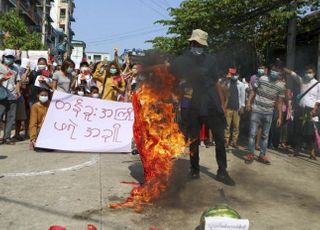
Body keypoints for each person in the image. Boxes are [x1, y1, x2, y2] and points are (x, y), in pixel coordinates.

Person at [171, 29, 234, 186]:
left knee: (219, 137)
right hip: (193, 103)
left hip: (211, 103)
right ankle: (194, 170)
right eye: (195, 43)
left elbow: (216, 82)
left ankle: (222, 171)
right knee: (193, 139)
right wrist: (175, 97)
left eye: (200, 44)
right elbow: (173, 77)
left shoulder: (211, 60)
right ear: (190, 43)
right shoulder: (182, 60)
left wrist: (222, 104)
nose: (197, 46)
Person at [245, 65, 285, 165]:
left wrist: (280, 117)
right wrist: (249, 103)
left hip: (269, 113)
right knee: (252, 133)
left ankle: (262, 155)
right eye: (272, 70)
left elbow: (279, 102)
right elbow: (253, 91)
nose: (273, 72)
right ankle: (250, 154)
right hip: (256, 110)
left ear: (279, 73)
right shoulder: (262, 78)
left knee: (265, 136)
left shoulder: (281, 85)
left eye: (276, 71)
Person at [284, 65, 320, 158]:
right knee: (298, 130)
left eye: (310, 72)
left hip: (311, 110)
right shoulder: (302, 81)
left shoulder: (318, 84)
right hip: (300, 109)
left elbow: (318, 99)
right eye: (307, 72)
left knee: (311, 132)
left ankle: (312, 152)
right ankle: (296, 150)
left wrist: (314, 110)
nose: (308, 74)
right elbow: (294, 75)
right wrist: (286, 70)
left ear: (314, 73)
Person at [220, 68, 246, 148]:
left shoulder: (241, 84)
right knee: (227, 126)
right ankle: (226, 141)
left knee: (236, 126)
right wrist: (226, 78)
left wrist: (242, 106)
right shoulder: (226, 83)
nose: (233, 76)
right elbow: (220, 86)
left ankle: (234, 142)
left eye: (234, 74)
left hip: (237, 108)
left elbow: (242, 96)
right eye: (232, 74)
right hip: (228, 107)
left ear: (238, 75)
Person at [0, 49, 21, 145]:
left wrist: (18, 91)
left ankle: (7, 137)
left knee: (11, 117)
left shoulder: (16, 68)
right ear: (4, 57)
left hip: (12, 95)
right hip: (1, 95)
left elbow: (18, 81)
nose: (9, 59)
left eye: (11, 57)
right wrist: (2, 78)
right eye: (8, 57)